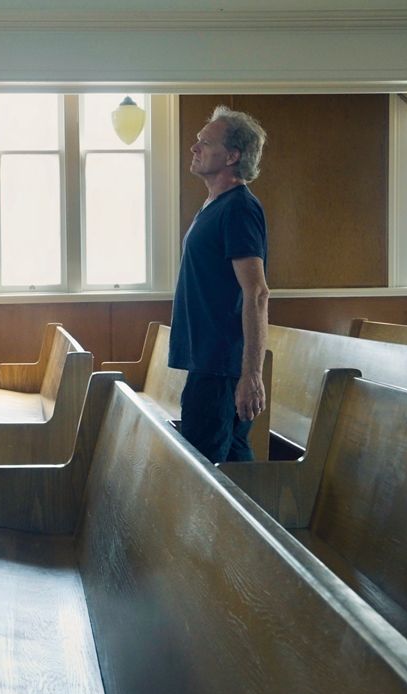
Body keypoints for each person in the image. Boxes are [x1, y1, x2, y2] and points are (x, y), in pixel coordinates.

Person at [169, 106, 270, 464]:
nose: (194, 148)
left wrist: (251, 375)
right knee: (231, 467)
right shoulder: (214, 205)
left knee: (203, 472)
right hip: (209, 362)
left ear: (232, 156)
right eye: (197, 141)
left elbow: (256, 293)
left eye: (205, 143)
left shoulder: (238, 208)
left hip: (221, 366)